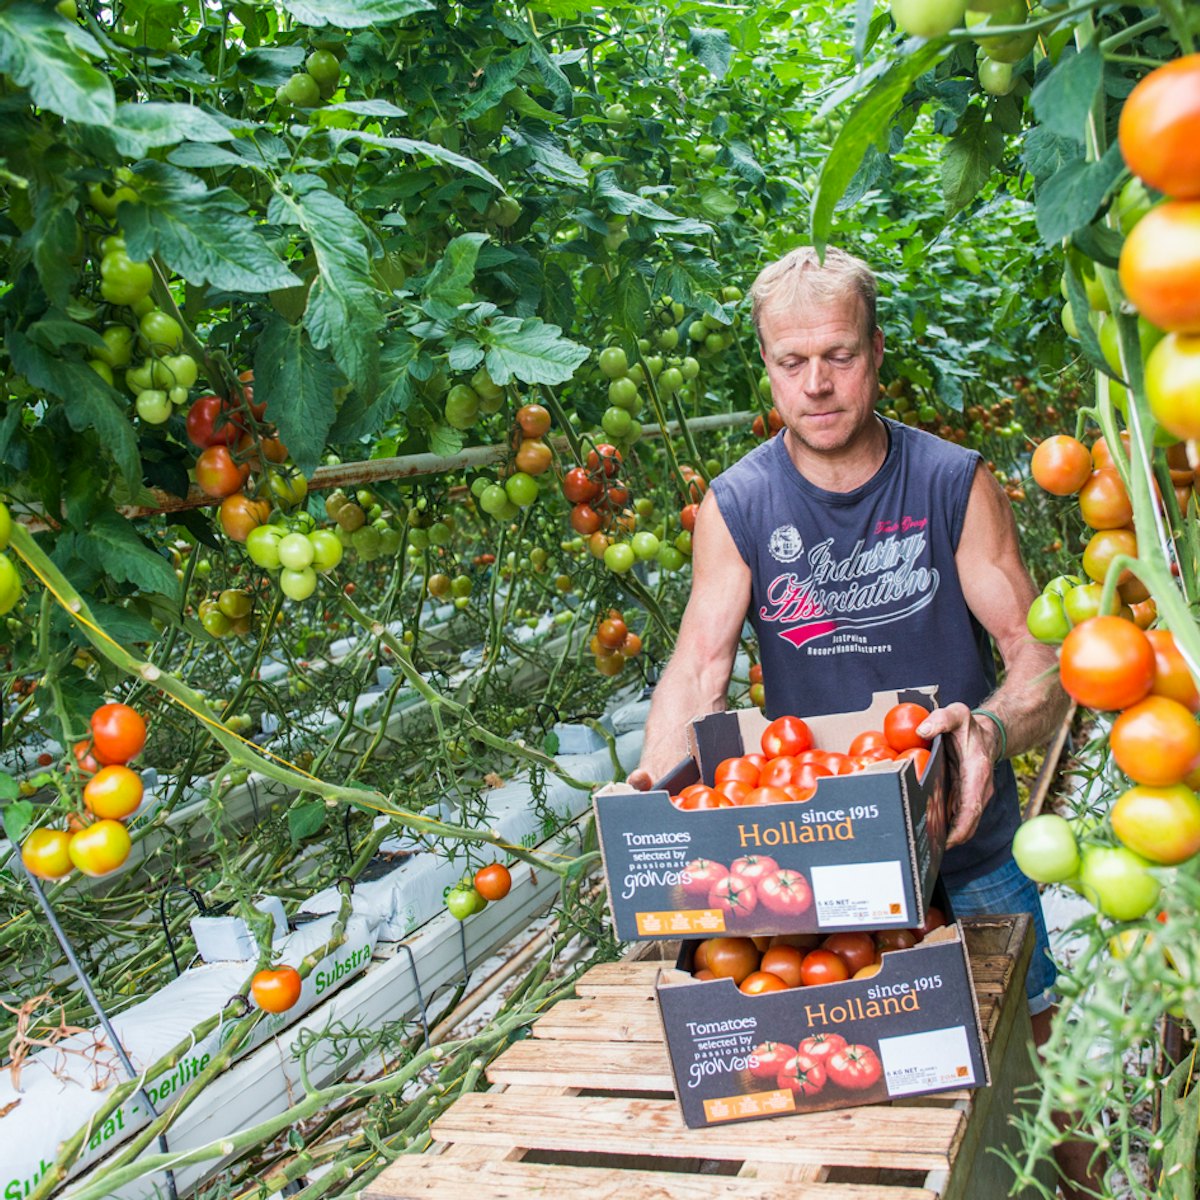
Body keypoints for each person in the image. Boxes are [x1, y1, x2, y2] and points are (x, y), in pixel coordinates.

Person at [627, 246, 1098, 1199]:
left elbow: (1039, 657)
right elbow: (697, 664)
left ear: (876, 353)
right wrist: (659, 796)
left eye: (837, 355)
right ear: (764, 365)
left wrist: (987, 736)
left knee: (1042, 1068)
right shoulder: (739, 504)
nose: (816, 383)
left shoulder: (951, 483)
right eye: (789, 362)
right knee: (865, 1094)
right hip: (824, 869)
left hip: (972, 843)